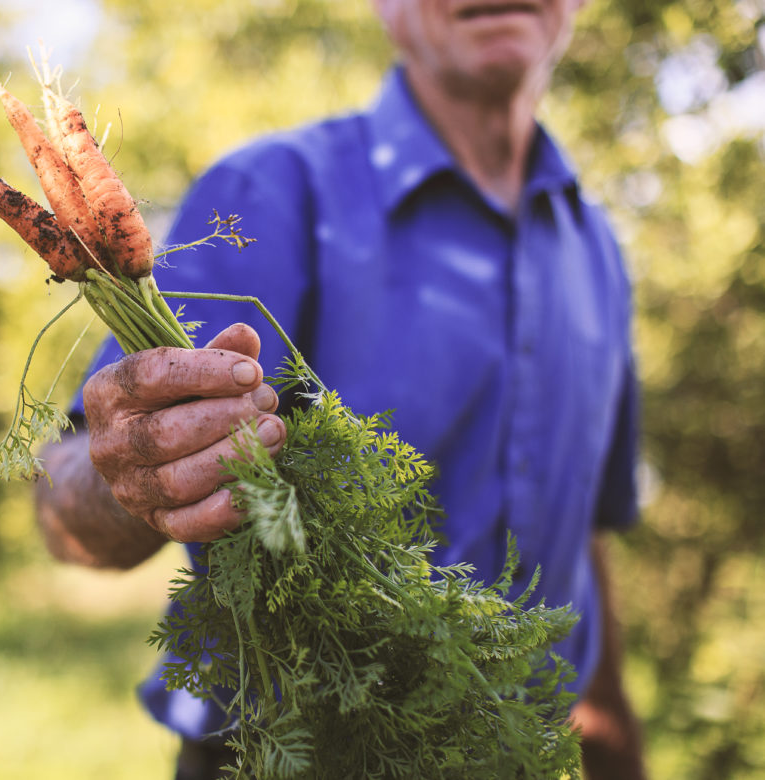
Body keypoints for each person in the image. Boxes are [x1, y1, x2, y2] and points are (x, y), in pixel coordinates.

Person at [35, 1, 648, 777]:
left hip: (520, 754)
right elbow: (65, 497)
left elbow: (582, 538)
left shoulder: (595, 248)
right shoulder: (267, 193)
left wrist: (615, 738)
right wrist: (129, 471)